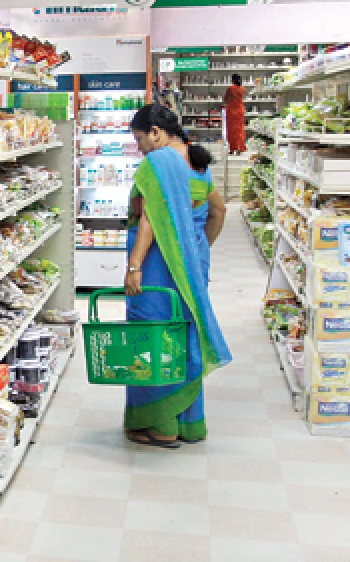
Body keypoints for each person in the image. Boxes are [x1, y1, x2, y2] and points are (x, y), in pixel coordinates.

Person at [122, 104, 231, 448]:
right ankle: (189, 424)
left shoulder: (158, 163)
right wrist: (197, 248)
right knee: (186, 334)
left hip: (155, 266)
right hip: (191, 264)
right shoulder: (198, 166)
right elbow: (219, 211)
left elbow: (149, 220)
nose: (139, 147)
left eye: (140, 138)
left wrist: (135, 265)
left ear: (155, 131)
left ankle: (159, 423)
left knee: (152, 336)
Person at [223, 74, 246, 155]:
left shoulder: (230, 88)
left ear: (233, 80)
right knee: (240, 129)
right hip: (240, 110)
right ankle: (240, 148)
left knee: (231, 130)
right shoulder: (242, 89)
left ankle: (233, 148)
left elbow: (225, 99)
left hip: (232, 111)